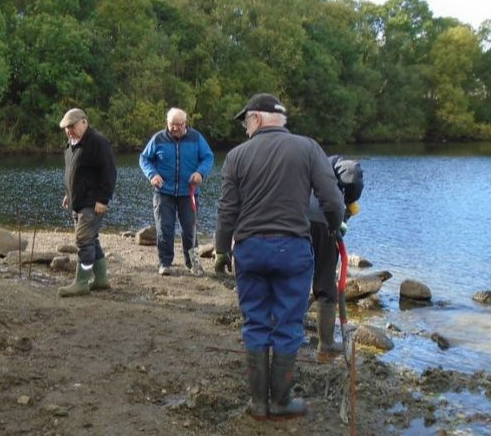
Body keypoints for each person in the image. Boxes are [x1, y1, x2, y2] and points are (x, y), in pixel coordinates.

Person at [214, 93, 344, 421]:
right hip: (292, 249)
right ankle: (281, 401)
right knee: (288, 324)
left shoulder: (236, 157)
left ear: (258, 118)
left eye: (246, 121)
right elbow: (331, 198)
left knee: (255, 323)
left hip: (250, 249)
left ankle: (259, 404)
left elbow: (227, 209)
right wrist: (335, 227)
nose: (245, 128)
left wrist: (220, 249)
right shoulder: (308, 148)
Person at [139, 108, 214, 275]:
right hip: (163, 193)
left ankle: (193, 263)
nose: (175, 128)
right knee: (164, 229)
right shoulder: (158, 139)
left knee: (190, 230)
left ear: (185, 123)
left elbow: (208, 157)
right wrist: (153, 175)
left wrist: (200, 172)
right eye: (172, 124)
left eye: (178, 125)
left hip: (189, 193)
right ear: (167, 122)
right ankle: (164, 263)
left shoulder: (196, 138)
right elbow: (144, 159)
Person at [308, 155, 364, 360]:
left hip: (292, 219)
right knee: (325, 283)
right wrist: (349, 200)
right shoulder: (330, 162)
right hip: (322, 220)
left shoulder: (299, 161)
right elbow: (353, 172)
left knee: (293, 278)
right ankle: (327, 345)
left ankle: (280, 334)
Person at [58, 108, 117, 297]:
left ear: (84, 122)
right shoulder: (71, 144)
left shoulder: (97, 142)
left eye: (72, 126)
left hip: (93, 202)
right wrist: (69, 194)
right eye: (66, 128)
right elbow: (74, 173)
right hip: (78, 200)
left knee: (83, 240)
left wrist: (103, 199)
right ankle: (101, 280)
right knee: (91, 239)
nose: (69, 131)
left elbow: (109, 172)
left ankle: (81, 282)